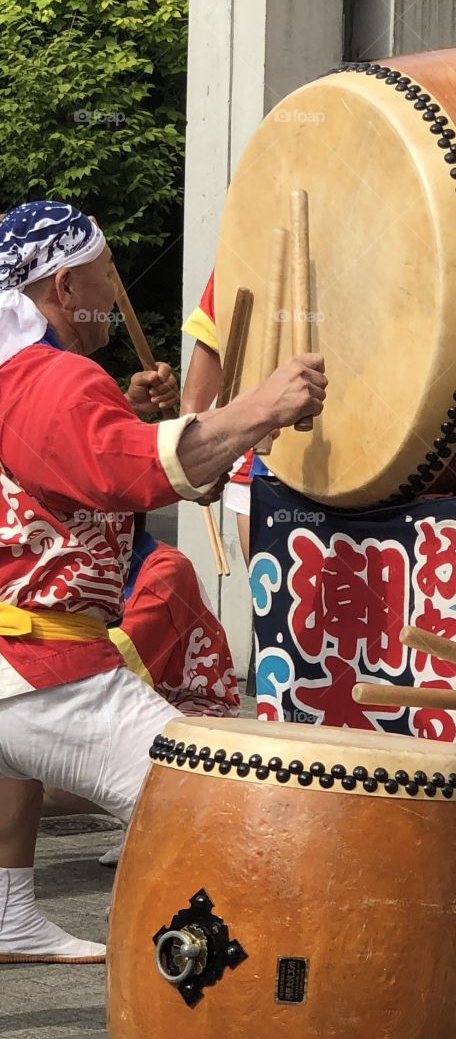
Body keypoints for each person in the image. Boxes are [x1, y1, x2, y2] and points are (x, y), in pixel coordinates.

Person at [0, 200, 326, 962]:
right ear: (63, 285)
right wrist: (260, 405)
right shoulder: (51, 379)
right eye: (106, 274)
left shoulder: (24, 373)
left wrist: (133, 415)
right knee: (221, 801)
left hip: (12, 667)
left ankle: (7, 913)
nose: (115, 292)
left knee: (12, 764)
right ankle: (192, 1004)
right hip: (44, 671)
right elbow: (125, 470)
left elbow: (83, 462)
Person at [109, 512, 239, 717]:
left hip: (188, 714)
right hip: (132, 704)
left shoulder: (164, 572)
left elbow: (113, 664)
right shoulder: (94, 569)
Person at [182, 271, 266, 564]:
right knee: (278, 607)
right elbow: (196, 401)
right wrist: (196, 462)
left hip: (379, 467)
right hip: (265, 470)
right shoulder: (242, 250)